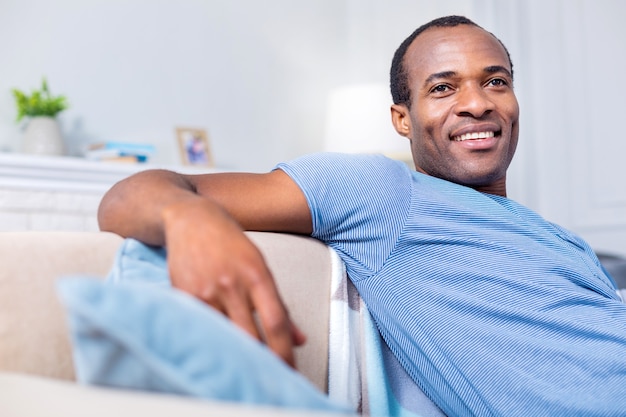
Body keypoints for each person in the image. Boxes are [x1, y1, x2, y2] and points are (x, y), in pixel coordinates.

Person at [98, 15, 626, 416]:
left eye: (495, 81)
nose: (478, 104)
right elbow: (129, 195)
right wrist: (192, 221)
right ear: (402, 118)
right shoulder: (380, 191)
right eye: (443, 88)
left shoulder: (565, 242)